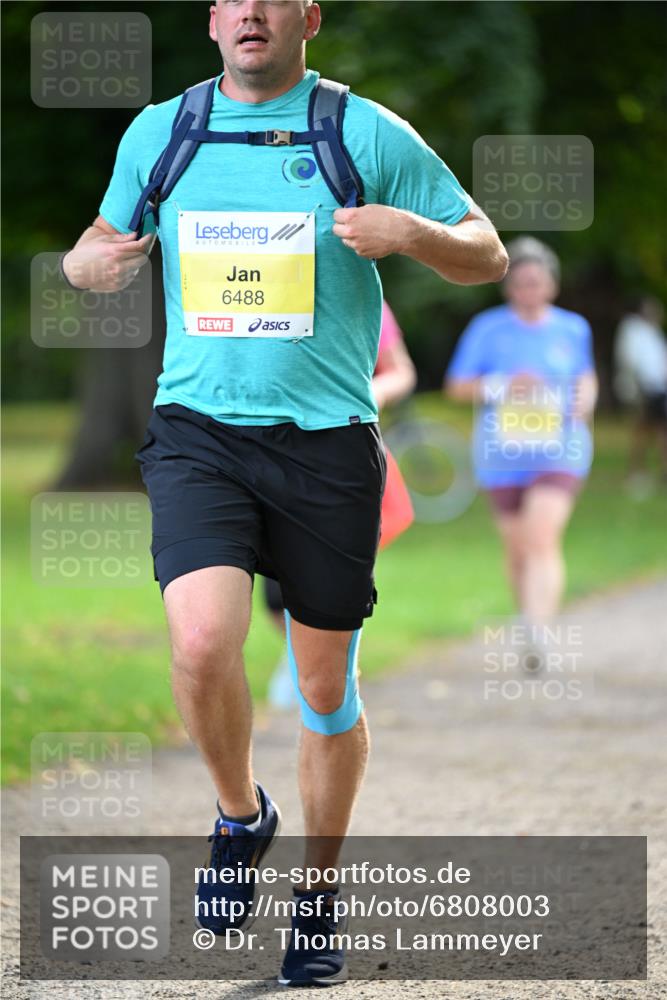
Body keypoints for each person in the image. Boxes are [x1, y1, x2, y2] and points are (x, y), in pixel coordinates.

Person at [61, 0, 507, 985]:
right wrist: (91, 263)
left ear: (306, 16)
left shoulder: (363, 130)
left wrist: (409, 232)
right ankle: (237, 811)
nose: (251, 13)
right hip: (198, 435)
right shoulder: (162, 130)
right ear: (214, 18)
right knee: (204, 640)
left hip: (326, 447)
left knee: (319, 686)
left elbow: (487, 251)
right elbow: (97, 242)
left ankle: (317, 900)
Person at [265, 298, 417, 709]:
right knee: (275, 591)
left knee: (329, 577)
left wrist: (374, 392)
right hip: (267, 449)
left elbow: (401, 371)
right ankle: (301, 654)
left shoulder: (366, 296)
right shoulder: (259, 278)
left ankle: (326, 668)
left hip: (340, 447)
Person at [445, 237, 597, 634]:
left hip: (560, 448)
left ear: (552, 284)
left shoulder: (573, 328)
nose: (529, 291)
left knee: (540, 538)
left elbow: (586, 376)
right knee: (517, 550)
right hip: (502, 453)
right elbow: (456, 387)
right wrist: (503, 385)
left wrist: (586, 399)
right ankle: (529, 617)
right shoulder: (487, 329)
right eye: (521, 283)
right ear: (508, 287)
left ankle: (538, 631)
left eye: (537, 282)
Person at [614, 295, 667, 492]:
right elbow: (633, 361)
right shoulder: (633, 330)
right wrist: (643, 387)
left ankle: (659, 470)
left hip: (658, 388)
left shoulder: (652, 332)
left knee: (659, 430)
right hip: (644, 389)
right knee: (643, 430)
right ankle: (637, 471)